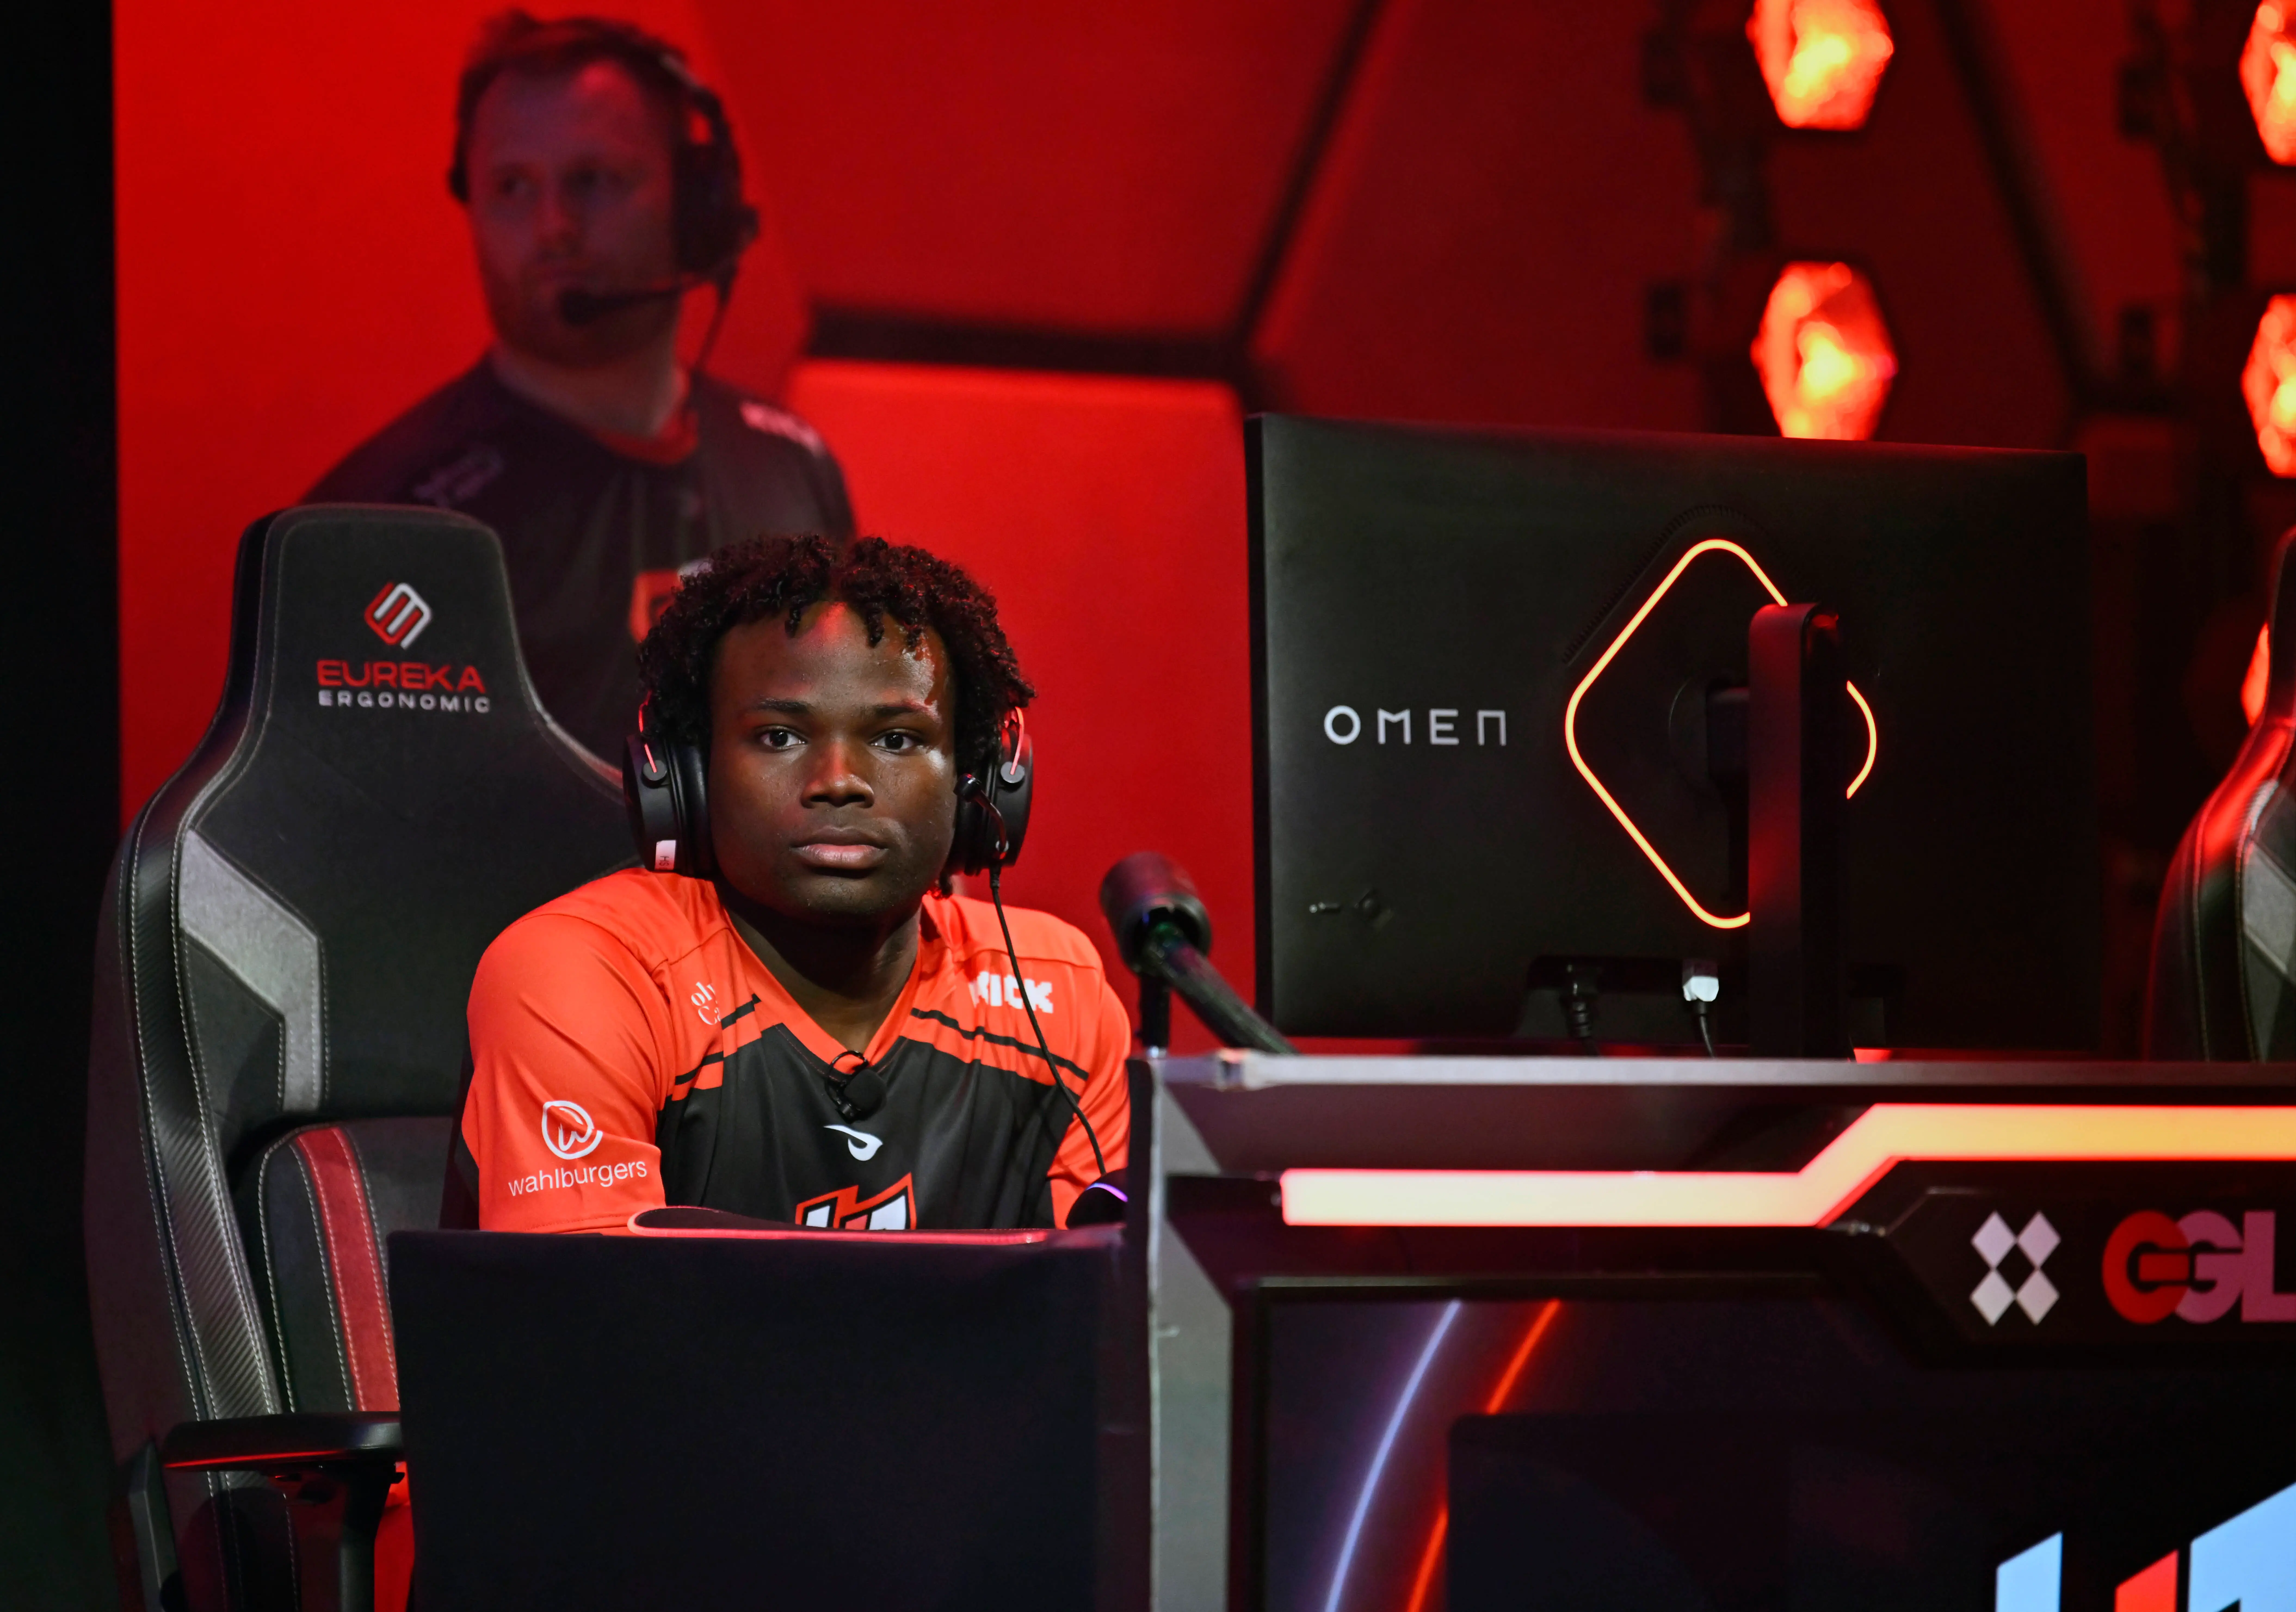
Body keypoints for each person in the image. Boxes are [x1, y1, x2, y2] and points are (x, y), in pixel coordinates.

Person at [451, 535, 1131, 1233]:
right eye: (779, 736)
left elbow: (1103, 1317)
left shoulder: (1057, 996)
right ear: (684, 775)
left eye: (897, 739)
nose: (837, 781)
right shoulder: (588, 973)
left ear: (980, 782)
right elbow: (598, 1324)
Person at [307, 12, 852, 761]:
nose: (553, 226)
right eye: (512, 186)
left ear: (697, 202)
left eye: (592, 181)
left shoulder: (795, 464)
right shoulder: (388, 523)